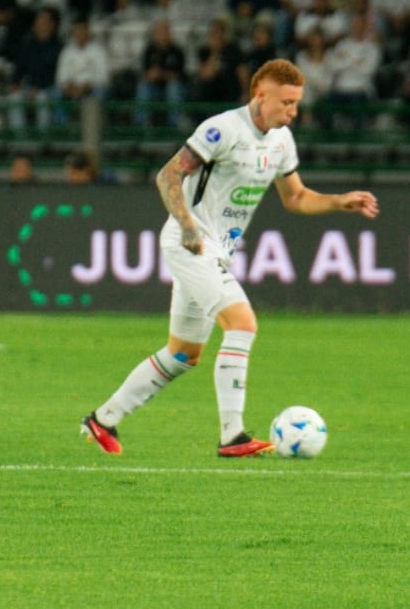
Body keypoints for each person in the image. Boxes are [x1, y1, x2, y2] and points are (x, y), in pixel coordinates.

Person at [81, 59, 380, 457]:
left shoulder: (281, 141)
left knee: (183, 354)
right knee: (242, 322)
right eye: (286, 103)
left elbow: (296, 197)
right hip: (190, 243)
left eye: (296, 104)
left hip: (217, 249)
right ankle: (232, 435)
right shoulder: (222, 129)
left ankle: (102, 419)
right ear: (260, 95)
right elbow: (168, 176)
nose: (293, 112)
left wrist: (340, 201)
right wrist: (186, 224)